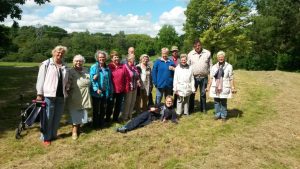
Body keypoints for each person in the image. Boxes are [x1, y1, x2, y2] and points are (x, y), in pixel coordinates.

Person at [36, 45, 68, 146]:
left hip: (61, 95)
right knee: (48, 117)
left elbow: (67, 79)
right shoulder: (46, 64)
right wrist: (39, 94)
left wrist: (67, 87)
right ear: (53, 52)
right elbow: (40, 79)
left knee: (57, 117)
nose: (60, 54)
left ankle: (53, 135)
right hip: (49, 95)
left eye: (62, 53)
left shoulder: (64, 65)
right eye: (58, 52)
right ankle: (46, 137)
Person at [66, 55, 91, 140]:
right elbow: (68, 81)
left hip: (85, 95)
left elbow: (89, 79)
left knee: (82, 113)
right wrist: (67, 86)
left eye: (80, 61)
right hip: (74, 95)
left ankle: (79, 129)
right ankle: (74, 131)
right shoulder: (70, 71)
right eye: (76, 61)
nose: (78, 63)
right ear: (73, 62)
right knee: (75, 113)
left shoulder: (86, 70)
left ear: (83, 62)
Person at [206, 51, 237, 121]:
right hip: (216, 87)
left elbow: (231, 78)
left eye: (222, 57)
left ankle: (223, 116)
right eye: (219, 57)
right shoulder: (214, 67)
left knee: (223, 102)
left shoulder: (229, 66)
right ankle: (217, 114)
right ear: (217, 58)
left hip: (224, 87)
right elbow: (211, 78)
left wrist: (233, 87)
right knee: (216, 102)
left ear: (224, 57)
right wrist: (208, 87)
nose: (221, 58)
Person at [90, 50, 114, 128]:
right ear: (97, 58)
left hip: (105, 91)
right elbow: (92, 80)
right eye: (100, 57)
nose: (101, 58)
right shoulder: (94, 67)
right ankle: (95, 124)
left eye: (103, 57)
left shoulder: (107, 68)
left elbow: (109, 80)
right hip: (96, 92)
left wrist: (110, 90)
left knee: (103, 107)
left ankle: (101, 122)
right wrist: (96, 89)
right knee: (96, 109)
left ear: (105, 58)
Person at [188, 39, 212, 113]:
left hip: (204, 77)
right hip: (193, 77)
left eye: (199, 45)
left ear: (201, 45)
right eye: (195, 46)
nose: (197, 47)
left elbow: (210, 65)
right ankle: (191, 109)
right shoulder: (190, 54)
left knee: (203, 93)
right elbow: (188, 66)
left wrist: (211, 76)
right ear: (193, 46)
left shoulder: (207, 53)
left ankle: (203, 109)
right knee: (192, 93)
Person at [107, 51, 127, 122]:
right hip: (112, 89)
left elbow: (125, 77)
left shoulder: (122, 66)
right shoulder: (109, 66)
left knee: (118, 105)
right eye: (115, 57)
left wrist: (125, 87)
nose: (117, 59)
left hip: (121, 89)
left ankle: (115, 118)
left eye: (117, 57)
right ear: (112, 59)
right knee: (110, 105)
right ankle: (108, 119)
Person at [121, 54, 141, 121]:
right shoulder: (125, 66)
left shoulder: (134, 67)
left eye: (134, 58)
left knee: (133, 102)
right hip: (128, 88)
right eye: (133, 58)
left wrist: (138, 80)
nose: (134, 60)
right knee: (127, 102)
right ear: (129, 59)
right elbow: (123, 77)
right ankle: (125, 117)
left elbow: (137, 75)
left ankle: (130, 115)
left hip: (135, 87)